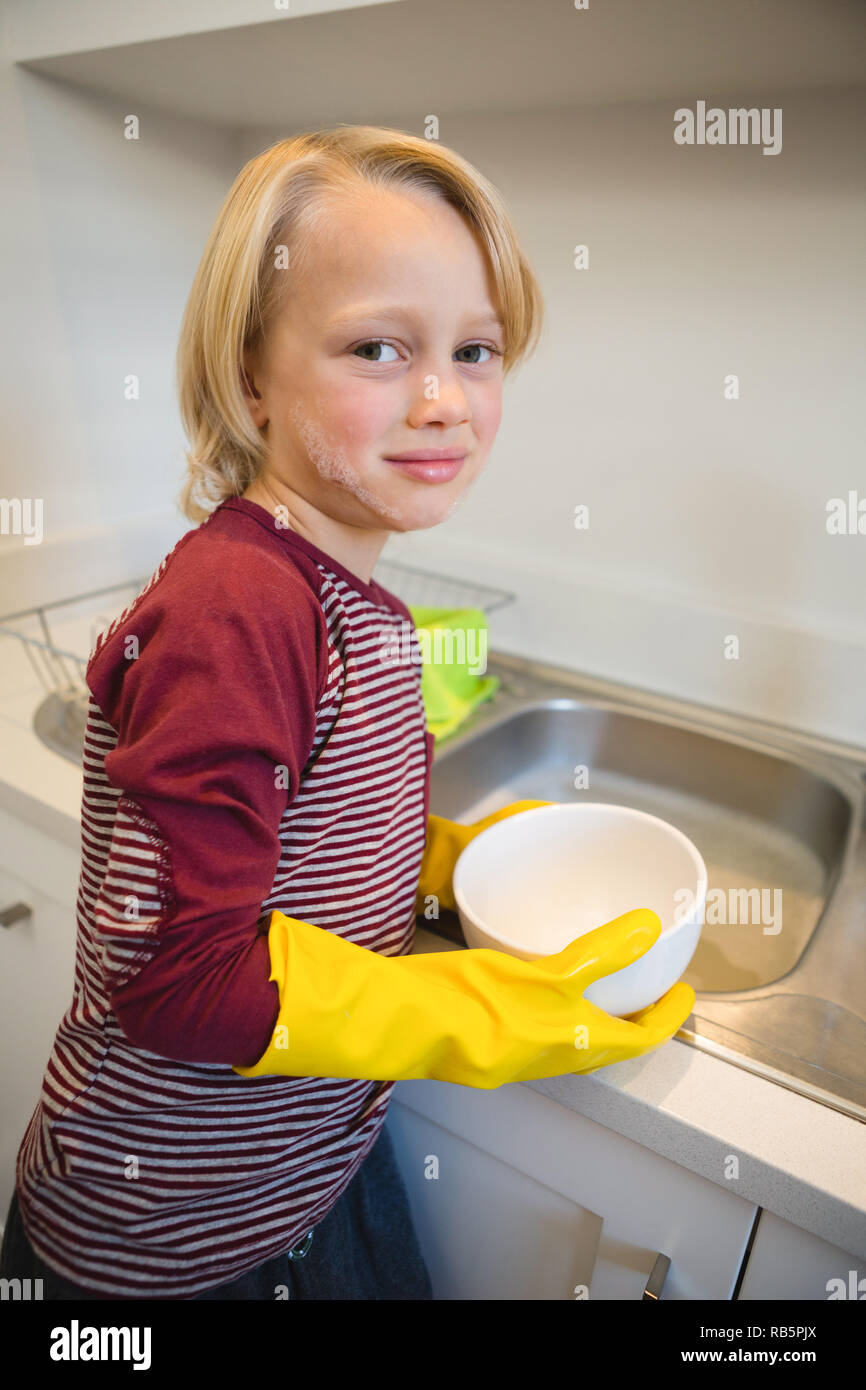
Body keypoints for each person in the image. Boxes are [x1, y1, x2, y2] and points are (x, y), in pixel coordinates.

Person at [0, 126, 694, 1300]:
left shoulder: (351, 598)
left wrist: (436, 867)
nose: (442, 398)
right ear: (251, 372)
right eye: (377, 346)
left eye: (475, 350)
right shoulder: (239, 605)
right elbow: (171, 974)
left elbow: (290, 830)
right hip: (163, 1242)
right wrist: (468, 1008)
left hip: (308, 1171)